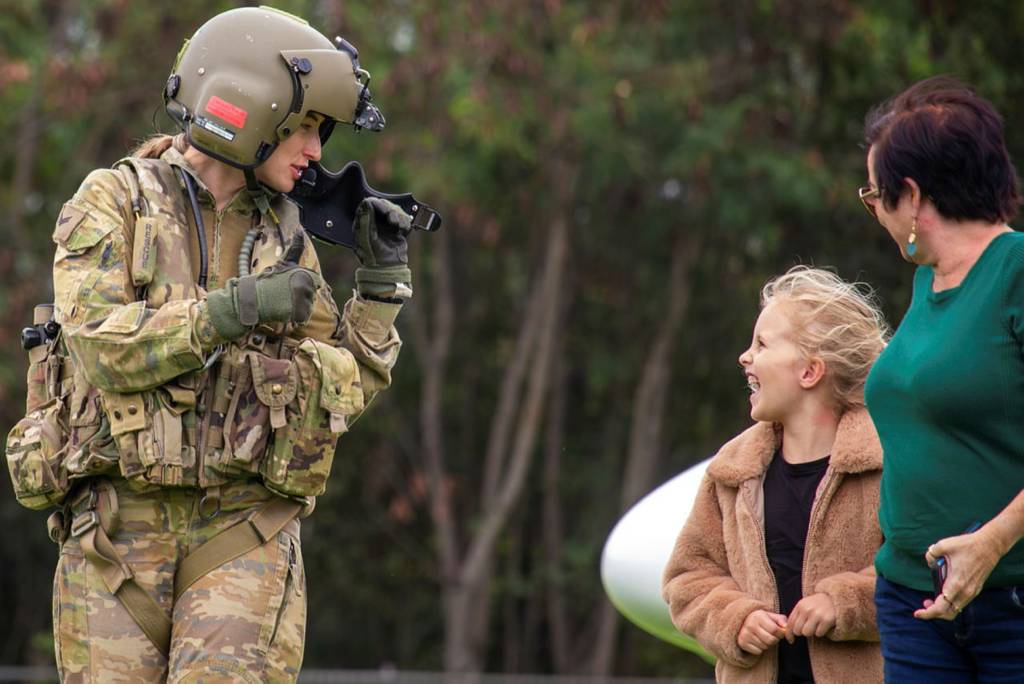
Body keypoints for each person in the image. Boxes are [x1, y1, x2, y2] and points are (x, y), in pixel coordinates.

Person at [4, 7, 414, 681]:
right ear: (253, 108)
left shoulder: (285, 239)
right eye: (307, 127)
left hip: (242, 530)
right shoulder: (114, 203)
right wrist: (232, 310)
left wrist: (380, 289)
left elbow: (336, 398)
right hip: (113, 535)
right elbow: (103, 350)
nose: (316, 152)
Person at [859, 76, 1024, 681]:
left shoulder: (1017, 271)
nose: (872, 208)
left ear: (911, 195)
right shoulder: (928, 280)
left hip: (1012, 604)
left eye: (873, 194)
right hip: (911, 602)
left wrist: (993, 541)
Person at [662, 266, 888, 683]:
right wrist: (735, 620)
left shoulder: (887, 463)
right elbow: (687, 576)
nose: (744, 356)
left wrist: (845, 602)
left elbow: (921, 568)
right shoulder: (730, 469)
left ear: (809, 371)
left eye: (761, 344)